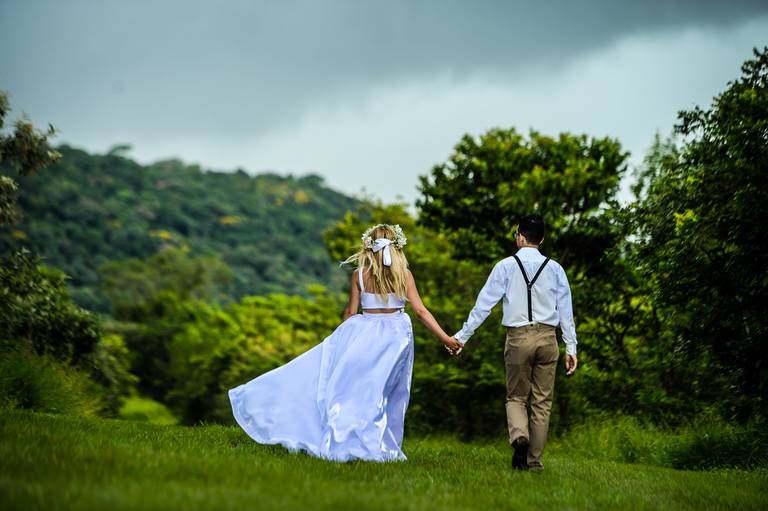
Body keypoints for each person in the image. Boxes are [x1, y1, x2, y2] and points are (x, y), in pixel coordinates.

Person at [228, 223, 462, 462]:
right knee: (384, 393)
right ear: (397, 247)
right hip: (395, 339)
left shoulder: (359, 274)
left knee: (352, 389)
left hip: (362, 335)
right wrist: (446, 338)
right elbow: (421, 311)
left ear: (368, 247)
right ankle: (378, 445)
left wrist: (341, 342)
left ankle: (348, 439)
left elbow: (351, 312)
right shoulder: (404, 275)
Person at [451, 215, 577, 471]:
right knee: (542, 403)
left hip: (518, 338)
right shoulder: (555, 269)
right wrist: (571, 347)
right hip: (548, 338)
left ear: (520, 237)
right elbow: (566, 311)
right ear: (541, 239)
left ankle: (520, 437)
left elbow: (483, 305)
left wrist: (462, 337)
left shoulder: (505, 266)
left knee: (516, 397)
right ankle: (534, 462)